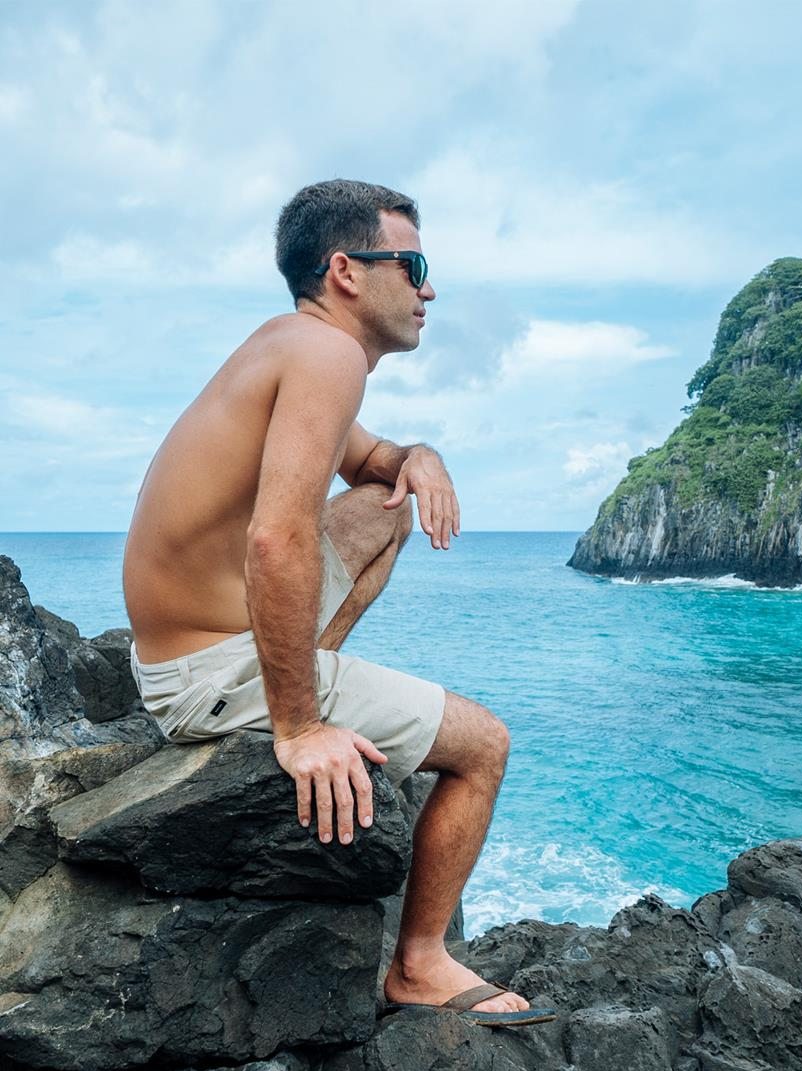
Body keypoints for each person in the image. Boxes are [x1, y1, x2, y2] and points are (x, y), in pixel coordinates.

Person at [122, 179, 551, 1027]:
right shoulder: (327, 356)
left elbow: (369, 465)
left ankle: (307, 678)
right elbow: (274, 542)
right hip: (211, 668)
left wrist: (417, 455)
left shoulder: (294, 345)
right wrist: (298, 726)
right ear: (348, 271)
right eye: (415, 264)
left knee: (379, 509)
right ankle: (419, 963)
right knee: (485, 747)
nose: (428, 289)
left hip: (193, 644)